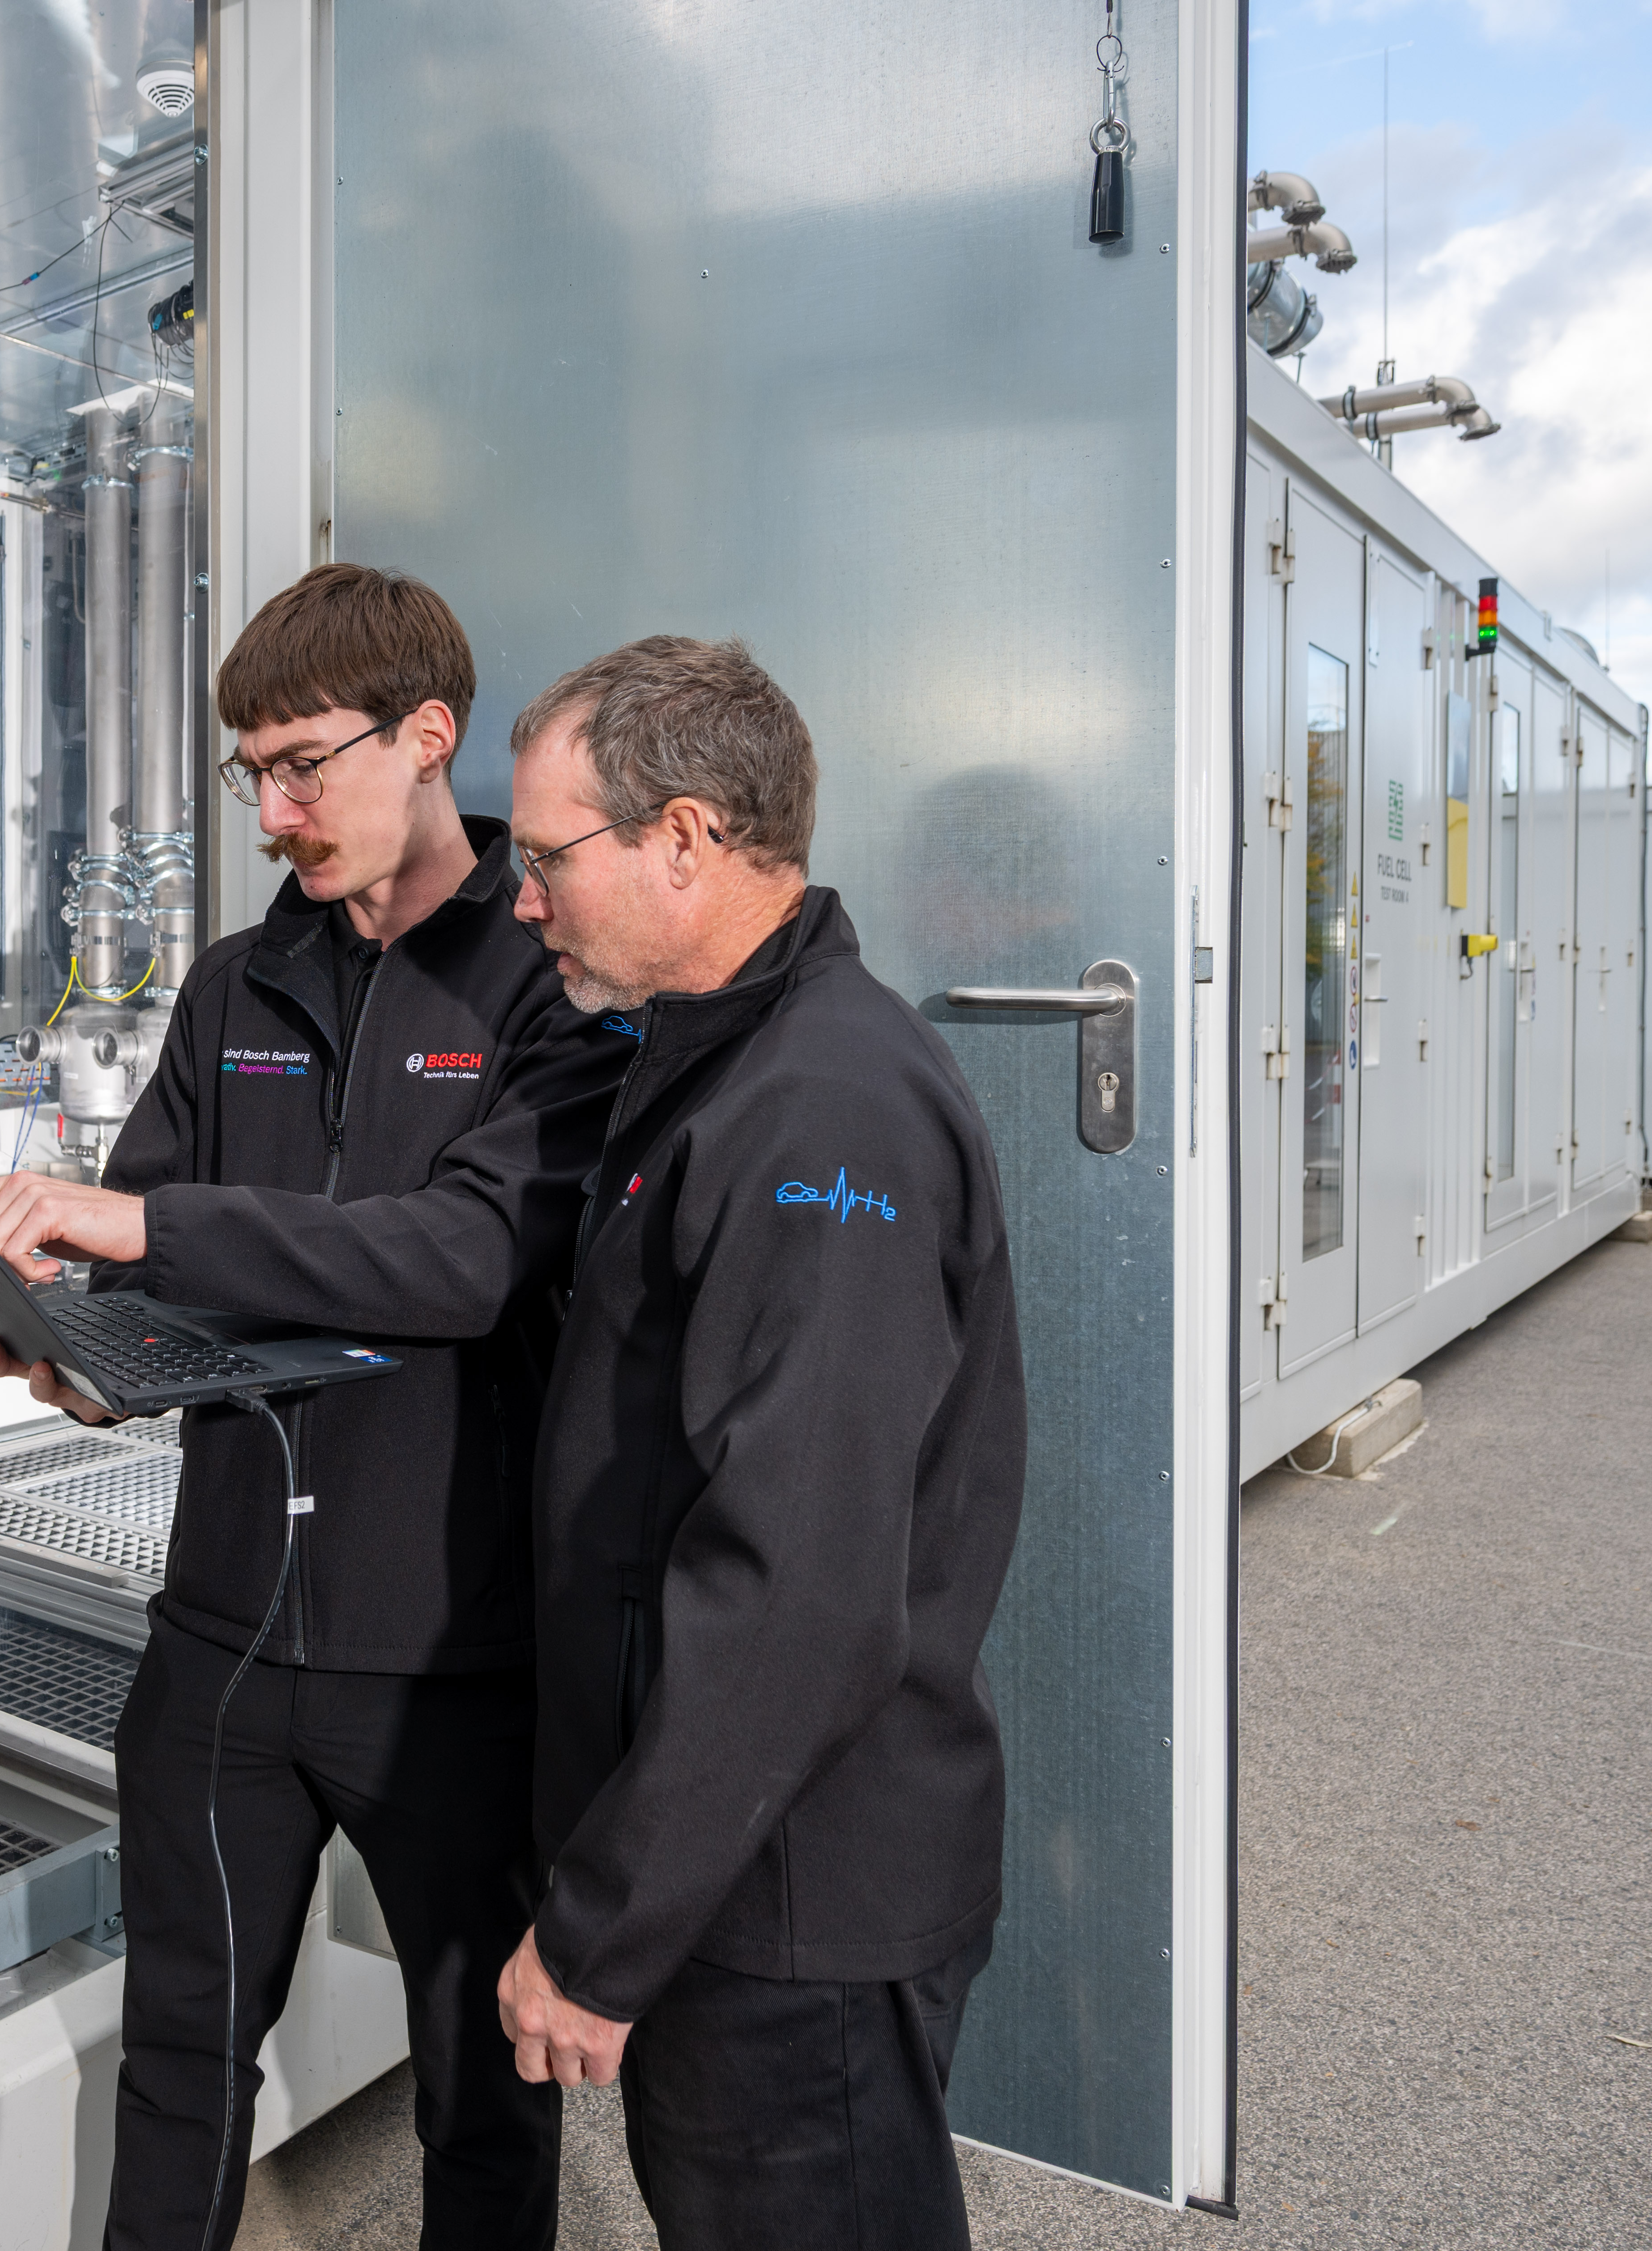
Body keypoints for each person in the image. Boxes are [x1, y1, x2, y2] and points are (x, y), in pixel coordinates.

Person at [0, 564, 636, 2251]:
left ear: (427, 739)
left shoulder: (555, 981)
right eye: (249, 773)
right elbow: (151, 1252)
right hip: (224, 1640)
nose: (272, 810)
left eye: (302, 766)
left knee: (483, 2097)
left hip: (453, 1661)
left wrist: (140, 1229)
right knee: (182, 2057)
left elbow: (465, 1259)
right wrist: (77, 1340)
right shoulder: (235, 987)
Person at [490, 636, 1026, 2251]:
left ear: (684, 840)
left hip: (789, 1884)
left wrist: (600, 1933)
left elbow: (798, 1592)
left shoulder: (819, 1115)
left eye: (543, 862)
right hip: (736, 1859)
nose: (524, 907)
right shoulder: (719, 1061)